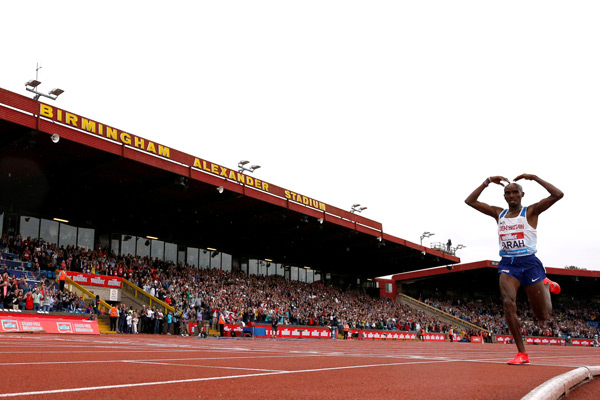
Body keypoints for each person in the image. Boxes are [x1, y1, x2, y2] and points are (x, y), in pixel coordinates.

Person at [465, 174, 563, 365]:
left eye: (515, 192)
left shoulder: (531, 211)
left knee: (543, 316)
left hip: (530, 264)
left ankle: (546, 284)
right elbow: (470, 201)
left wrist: (534, 178)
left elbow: (558, 194)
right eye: (507, 193)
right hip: (508, 265)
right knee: (508, 303)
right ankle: (522, 353)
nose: (511, 195)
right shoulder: (498, 213)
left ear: (521, 194)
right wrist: (486, 182)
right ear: (504, 196)